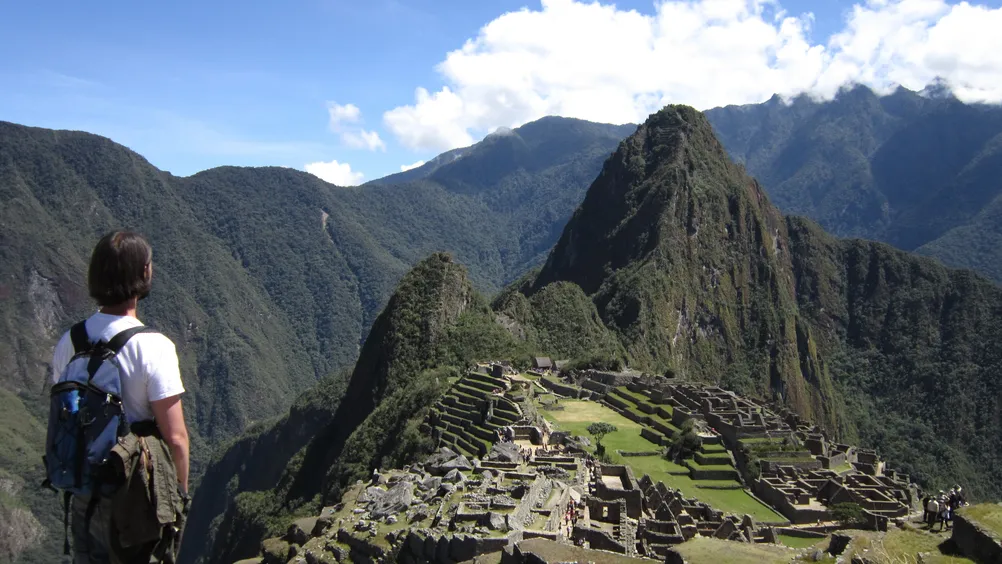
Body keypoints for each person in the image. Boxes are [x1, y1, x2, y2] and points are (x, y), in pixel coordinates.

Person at [50, 231, 189, 563]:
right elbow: (176, 438)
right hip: (138, 496)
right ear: (144, 273)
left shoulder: (68, 342)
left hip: (84, 492)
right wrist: (180, 498)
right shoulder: (154, 347)